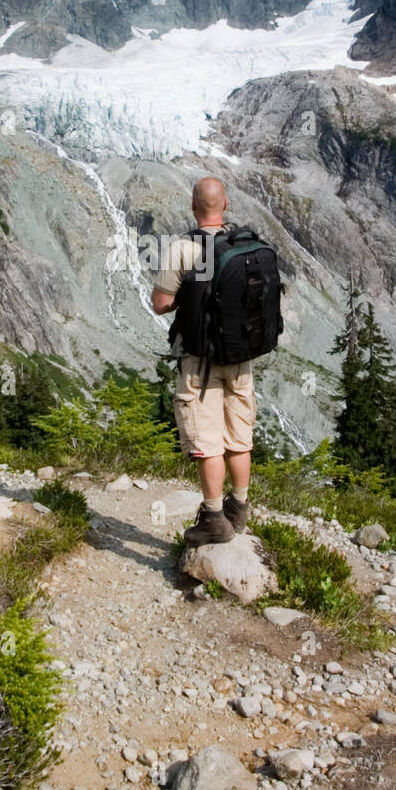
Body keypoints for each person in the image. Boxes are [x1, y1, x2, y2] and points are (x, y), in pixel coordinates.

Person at [151, 176, 255, 546]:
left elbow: (161, 303)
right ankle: (239, 509)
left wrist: (189, 298)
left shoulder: (182, 248)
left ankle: (213, 518)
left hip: (200, 361)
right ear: (224, 204)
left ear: (193, 206)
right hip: (240, 358)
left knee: (208, 442)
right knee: (239, 438)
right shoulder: (246, 244)